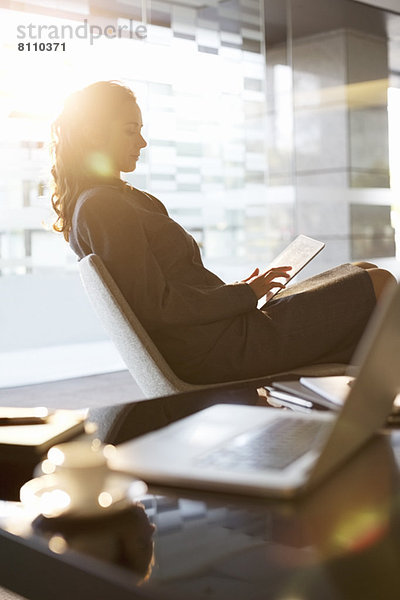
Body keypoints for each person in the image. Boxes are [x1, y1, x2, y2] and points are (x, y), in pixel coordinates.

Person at [50, 80, 396, 384]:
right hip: (215, 349)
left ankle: (373, 397)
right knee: (379, 286)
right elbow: (158, 306)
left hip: (213, 334)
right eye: (130, 130)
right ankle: (379, 401)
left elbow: (172, 288)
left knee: (364, 270)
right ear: (94, 133)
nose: (142, 141)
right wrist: (244, 295)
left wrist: (239, 291)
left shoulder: (113, 199)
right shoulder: (103, 206)